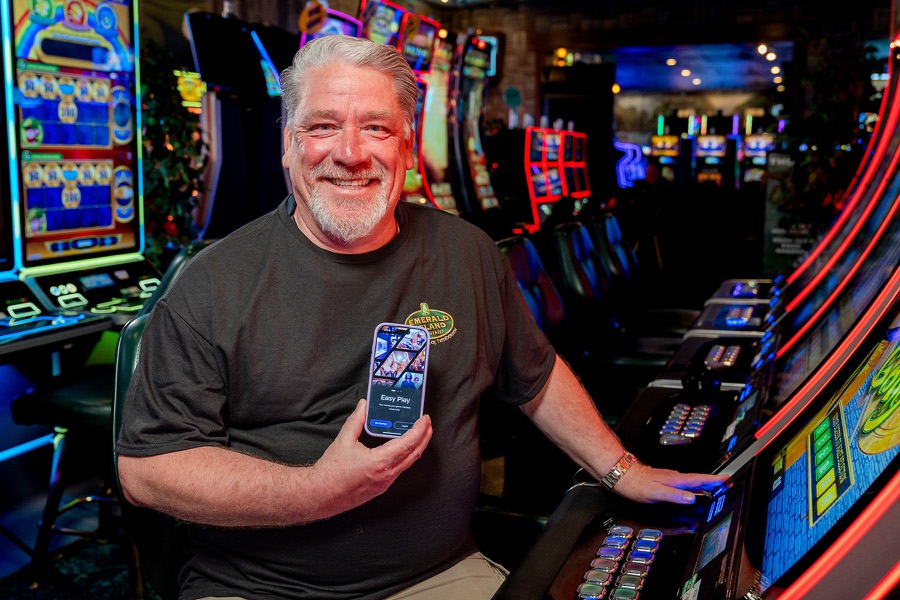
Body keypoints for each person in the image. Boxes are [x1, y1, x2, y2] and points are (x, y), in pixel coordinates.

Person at [116, 34, 726, 600]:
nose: (349, 153)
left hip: (437, 576)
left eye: (375, 128)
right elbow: (150, 470)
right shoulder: (212, 283)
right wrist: (319, 491)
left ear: (407, 144)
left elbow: (536, 379)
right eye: (323, 126)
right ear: (288, 143)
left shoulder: (468, 253)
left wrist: (621, 469)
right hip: (259, 586)